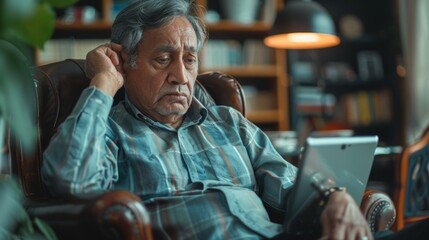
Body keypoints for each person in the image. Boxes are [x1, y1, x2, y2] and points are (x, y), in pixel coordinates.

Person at [41, 0, 429, 239]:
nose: (180, 75)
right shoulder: (110, 130)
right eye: (163, 59)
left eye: (189, 59)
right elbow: (68, 177)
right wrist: (103, 83)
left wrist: (333, 198)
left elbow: (291, 186)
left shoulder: (228, 122)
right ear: (126, 62)